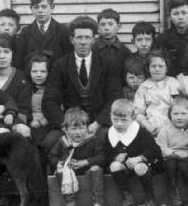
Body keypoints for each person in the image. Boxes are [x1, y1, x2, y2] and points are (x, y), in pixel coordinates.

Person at [42, 16, 123, 152]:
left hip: (99, 123)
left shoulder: (107, 63)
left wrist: (97, 124)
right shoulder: (60, 65)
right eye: (79, 38)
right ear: (72, 40)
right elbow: (49, 101)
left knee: (109, 139)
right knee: (50, 142)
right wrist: (68, 126)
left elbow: (114, 98)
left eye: (87, 37)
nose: (83, 42)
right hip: (70, 123)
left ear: (94, 39)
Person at [105, 99, 162, 206]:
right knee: (114, 166)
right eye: (115, 120)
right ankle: (127, 198)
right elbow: (107, 155)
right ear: (110, 116)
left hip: (147, 165)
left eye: (124, 120)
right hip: (126, 168)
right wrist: (116, 158)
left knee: (139, 167)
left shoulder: (140, 132)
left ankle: (150, 197)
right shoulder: (110, 134)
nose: (119, 124)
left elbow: (155, 150)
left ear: (133, 118)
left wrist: (140, 158)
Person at [48, 108, 107, 206]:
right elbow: (52, 156)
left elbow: (102, 157)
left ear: (87, 128)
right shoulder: (63, 141)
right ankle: (71, 203)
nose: (78, 132)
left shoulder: (93, 140)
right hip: (70, 173)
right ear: (66, 129)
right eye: (74, 128)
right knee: (60, 169)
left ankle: (98, 203)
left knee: (96, 169)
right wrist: (63, 163)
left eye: (81, 128)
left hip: (88, 170)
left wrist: (85, 162)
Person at [156, 96, 188, 206]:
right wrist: (174, 154)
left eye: (183, 114)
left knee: (183, 166)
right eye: (175, 114)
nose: (179, 117)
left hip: (187, 157)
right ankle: (173, 192)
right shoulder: (165, 129)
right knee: (171, 163)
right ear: (170, 115)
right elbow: (162, 146)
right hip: (170, 157)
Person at [15, 0, 72, 67]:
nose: (40, 11)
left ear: (52, 7)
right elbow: (19, 61)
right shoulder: (26, 32)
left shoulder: (63, 31)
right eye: (36, 7)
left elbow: (69, 60)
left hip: (57, 77)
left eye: (44, 7)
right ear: (31, 9)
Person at [0, 34, 32, 138]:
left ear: (13, 54)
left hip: (14, 122)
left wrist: (4, 110)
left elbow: (24, 112)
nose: (2, 56)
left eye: (6, 51)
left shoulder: (22, 79)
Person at [133, 50, 182, 137]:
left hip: (170, 126)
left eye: (161, 66)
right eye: (153, 66)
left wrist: (164, 128)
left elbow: (177, 108)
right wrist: (148, 126)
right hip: (148, 127)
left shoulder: (173, 83)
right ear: (148, 68)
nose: (157, 69)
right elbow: (138, 111)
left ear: (167, 68)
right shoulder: (144, 86)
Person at [94, 8, 131, 87]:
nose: (106, 28)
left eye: (110, 24)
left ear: (118, 26)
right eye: (103, 24)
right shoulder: (91, 49)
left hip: (118, 94)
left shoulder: (125, 52)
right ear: (98, 27)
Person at [27, 52, 51, 145]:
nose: (38, 75)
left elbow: (56, 110)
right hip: (28, 123)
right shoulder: (25, 88)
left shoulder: (51, 90)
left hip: (45, 125)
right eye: (34, 71)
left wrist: (41, 122)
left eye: (43, 71)